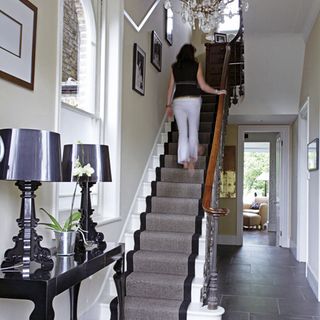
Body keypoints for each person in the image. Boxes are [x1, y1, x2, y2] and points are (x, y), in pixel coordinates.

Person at [166, 44, 226, 170]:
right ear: (191, 54)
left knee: (183, 132)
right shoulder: (196, 65)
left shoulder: (174, 67)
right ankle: (192, 159)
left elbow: (170, 88)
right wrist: (217, 92)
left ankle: (184, 160)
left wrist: (168, 105)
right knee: (193, 130)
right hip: (193, 100)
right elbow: (203, 86)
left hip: (178, 101)